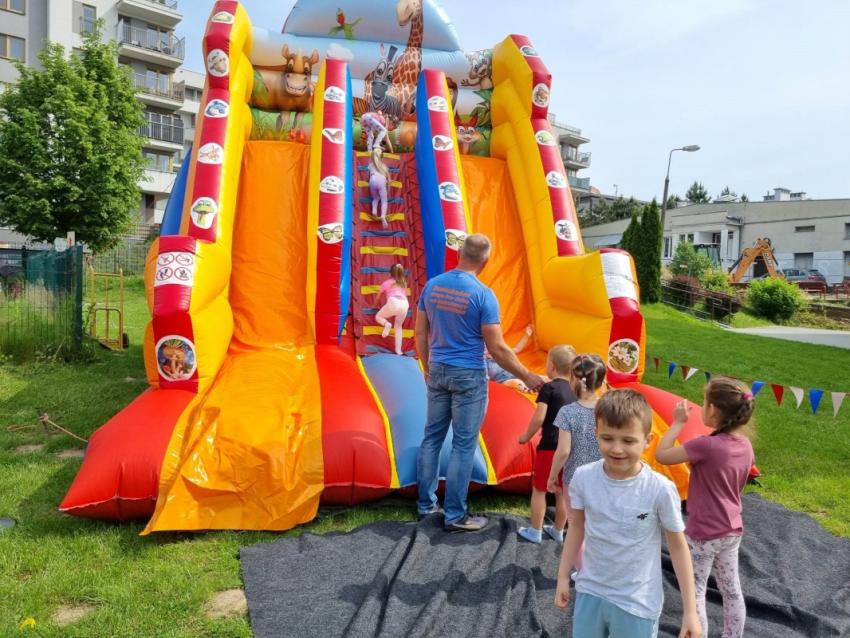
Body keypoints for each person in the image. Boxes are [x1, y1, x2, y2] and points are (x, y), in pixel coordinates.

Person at [415, 233, 545, 532]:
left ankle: (425, 506)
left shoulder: (432, 286)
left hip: (438, 369)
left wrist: (427, 366)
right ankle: (455, 515)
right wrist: (527, 376)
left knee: (432, 438)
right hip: (469, 375)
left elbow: (420, 333)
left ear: (460, 254)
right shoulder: (483, 295)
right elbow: (497, 348)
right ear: (486, 261)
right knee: (463, 445)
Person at [554, 389, 702, 638]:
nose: (617, 449)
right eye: (607, 438)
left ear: (648, 440)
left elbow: (678, 547)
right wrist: (562, 576)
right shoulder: (583, 478)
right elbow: (576, 527)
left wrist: (690, 611)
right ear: (596, 434)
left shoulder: (660, 489)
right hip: (590, 591)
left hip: (636, 603)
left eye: (628, 441)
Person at [655, 377, 755, 638]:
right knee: (731, 591)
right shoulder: (746, 446)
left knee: (696, 590)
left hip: (703, 534)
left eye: (704, 401)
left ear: (712, 409)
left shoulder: (705, 445)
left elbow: (662, 455)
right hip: (732, 530)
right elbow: (738, 486)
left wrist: (677, 423)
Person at [543, 353, 607, 556]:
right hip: (603, 478)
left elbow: (563, 451)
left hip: (574, 479)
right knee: (597, 525)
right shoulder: (607, 410)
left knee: (576, 526)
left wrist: (553, 475)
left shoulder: (568, 412)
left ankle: (583, 569)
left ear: (574, 380)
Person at [516, 344, 577, 544]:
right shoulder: (576, 391)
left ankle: (535, 530)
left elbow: (539, 417)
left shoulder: (549, 388)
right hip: (569, 449)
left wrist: (526, 436)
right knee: (562, 491)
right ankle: (558, 530)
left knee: (540, 489)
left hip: (550, 447)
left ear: (551, 366)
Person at [486, 324, 535, 392]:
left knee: (529, 378)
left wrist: (527, 335)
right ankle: (524, 387)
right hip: (504, 378)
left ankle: (543, 382)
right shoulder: (485, 362)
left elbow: (517, 349)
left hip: (513, 374)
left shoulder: (500, 353)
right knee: (513, 382)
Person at [376, 263, 409, 356]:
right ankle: (399, 351)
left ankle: (387, 324)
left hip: (393, 302)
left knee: (378, 316)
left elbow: (378, 297)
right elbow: (405, 295)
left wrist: (374, 305)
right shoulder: (403, 283)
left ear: (390, 273)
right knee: (398, 327)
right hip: (405, 304)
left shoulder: (386, 283)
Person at [369, 146, 390, 228]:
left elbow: (368, 177)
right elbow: (389, 179)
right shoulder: (384, 166)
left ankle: (374, 211)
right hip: (381, 181)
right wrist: (388, 187)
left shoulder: (370, 165)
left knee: (375, 198)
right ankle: (383, 216)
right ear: (382, 158)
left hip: (372, 180)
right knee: (384, 200)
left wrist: (368, 181)